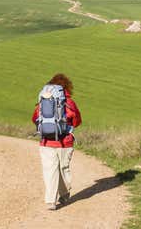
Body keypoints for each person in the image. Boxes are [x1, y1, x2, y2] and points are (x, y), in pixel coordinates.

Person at [31, 73, 82, 210]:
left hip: (46, 142)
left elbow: (35, 118)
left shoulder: (43, 100)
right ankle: (64, 194)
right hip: (65, 143)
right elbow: (77, 121)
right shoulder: (69, 102)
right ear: (66, 87)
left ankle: (50, 201)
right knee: (63, 169)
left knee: (50, 170)